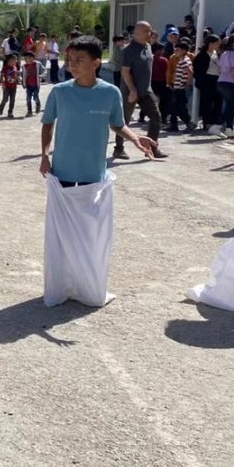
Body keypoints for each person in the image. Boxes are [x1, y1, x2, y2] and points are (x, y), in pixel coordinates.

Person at [39, 37, 155, 306]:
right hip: (63, 174)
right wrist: (45, 155)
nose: (73, 65)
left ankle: (86, 284)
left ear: (95, 62)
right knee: (63, 233)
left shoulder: (110, 93)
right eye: (70, 60)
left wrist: (135, 138)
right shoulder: (60, 91)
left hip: (94, 175)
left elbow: (117, 123)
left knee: (90, 232)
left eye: (79, 60)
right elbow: (47, 124)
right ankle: (63, 284)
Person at [115, 21, 166, 160]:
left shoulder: (148, 46)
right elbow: (125, 72)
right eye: (148, 31)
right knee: (123, 121)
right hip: (130, 91)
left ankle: (152, 148)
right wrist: (132, 90)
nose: (151, 34)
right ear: (138, 32)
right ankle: (118, 149)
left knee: (156, 117)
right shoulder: (128, 50)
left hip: (146, 90)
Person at [215, 33, 234, 138]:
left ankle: (229, 128)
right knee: (230, 106)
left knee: (230, 106)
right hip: (229, 83)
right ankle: (218, 125)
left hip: (221, 81)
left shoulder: (224, 54)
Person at [193, 35, 222, 132]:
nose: (219, 45)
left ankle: (215, 121)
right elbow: (197, 70)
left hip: (216, 78)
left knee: (218, 100)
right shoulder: (202, 55)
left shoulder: (216, 54)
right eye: (217, 43)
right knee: (207, 102)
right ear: (211, 43)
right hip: (206, 80)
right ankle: (207, 122)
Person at [166, 39, 195, 132]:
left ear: (183, 51)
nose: (175, 52)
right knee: (174, 106)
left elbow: (190, 72)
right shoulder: (181, 59)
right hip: (177, 86)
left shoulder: (184, 61)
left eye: (177, 50)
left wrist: (186, 83)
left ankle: (189, 123)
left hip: (180, 88)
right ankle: (174, 125)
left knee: (180, 107)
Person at [0, 53, 20, 119]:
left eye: (16, 60)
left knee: (12, 100)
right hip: (6, 86)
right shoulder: (5, 67)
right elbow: (2, 76)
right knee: (5, 99)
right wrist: (3, 83)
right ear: (10, 61)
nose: (16, 61)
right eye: (15, 60)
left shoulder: (15, 68)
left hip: (14, 87)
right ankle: (1, 107)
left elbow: (16, 76)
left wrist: (19, 79)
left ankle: (10, 112)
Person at [22, 50, 41, 117]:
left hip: (36, 85)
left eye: (26, 58)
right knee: (28, 98)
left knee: (35, 97)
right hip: (28, 85)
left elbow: (44, 70)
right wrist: (24, 84)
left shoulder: (37, 64)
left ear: (32, 58)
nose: (25, 60)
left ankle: (38, 105)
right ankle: (29, 111)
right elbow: (24, 75)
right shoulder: (24, 66)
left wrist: (42, 76)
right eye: (24, 58)